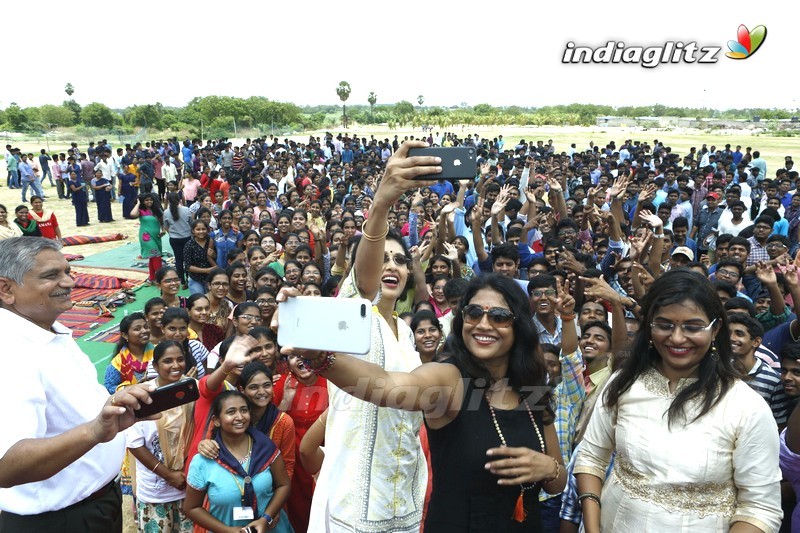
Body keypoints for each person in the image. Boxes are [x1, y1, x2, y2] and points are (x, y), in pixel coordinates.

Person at [290, 141, 565, 532]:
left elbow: (557, 481)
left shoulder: (406, 334)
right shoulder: (367, 321)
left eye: (499, 316)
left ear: (518, 326)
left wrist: (549, 467)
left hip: (407, 505)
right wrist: (381, 204)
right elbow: (385, 386)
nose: (483, 323)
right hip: (362, 504)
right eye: (473, 312)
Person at [575, 269, 782, 532]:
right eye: (664, 325)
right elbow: (591, 457)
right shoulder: (623, 384)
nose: (676, 338)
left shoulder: (746, 407)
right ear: (650, 326)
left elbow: (759, 508)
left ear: (715, 328)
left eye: (692, 327)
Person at [0, 237, 155, 531]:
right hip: (59, 521)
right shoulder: (8, 353)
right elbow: (6, 465)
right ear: (6, 289)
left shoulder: (49, 330)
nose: (69, 282)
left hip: (93, 506)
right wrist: (94, 431)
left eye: (68, 272)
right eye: (51, 275)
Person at [184, 391, 293, 533]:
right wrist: (227, 530)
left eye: (244, 410)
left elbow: (283, 485)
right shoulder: (204, 460)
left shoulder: (265, 448)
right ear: (216, 420)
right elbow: (191, 508)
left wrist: (266, 518)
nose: (240, 417)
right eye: (231, 412)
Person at [125, 341, 194, 533]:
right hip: (155, 493)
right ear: (155, 366)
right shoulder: (143, 396)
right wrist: (168, 475)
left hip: (188, 487)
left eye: (180, 359)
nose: (175, 365)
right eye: (168, 361)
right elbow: (135, 444)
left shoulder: (192, 389)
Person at [132, 193, 165, 283]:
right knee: (156, 256)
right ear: (143, 201)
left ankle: (152, 277)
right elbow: (132, 214)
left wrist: (163, 230)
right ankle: (160, 278)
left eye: (150, 200)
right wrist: (138, 203)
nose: (149, 202)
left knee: (152, 257)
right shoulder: (141, 211)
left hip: (157, 237)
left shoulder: (156, 210)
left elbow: (162, 221)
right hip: (146, 237)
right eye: (146, 200)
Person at [163, 192, 193, 289]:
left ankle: (182, 281)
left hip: (174, 239)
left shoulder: (166, 212)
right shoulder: (186, 210)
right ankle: (190, 279)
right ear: (180, 199)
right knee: (188, 259)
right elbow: (191, 224)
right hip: (187, 237)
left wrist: (172, 233)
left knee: (178, 260)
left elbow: (166, 227)